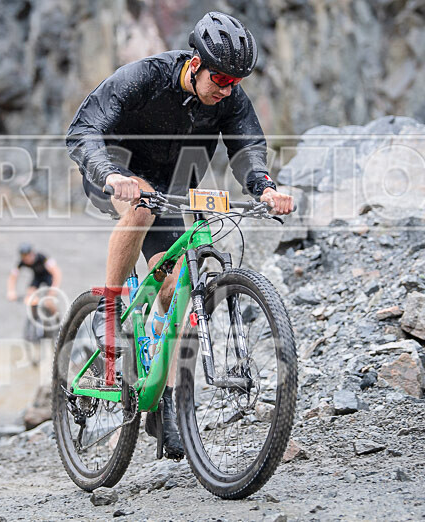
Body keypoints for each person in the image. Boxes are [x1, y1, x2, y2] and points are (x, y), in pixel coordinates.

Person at [66, 12, 294, 460]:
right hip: (114, 171)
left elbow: (247, 148)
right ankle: (110, 311)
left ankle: (165, 404)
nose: (226, 89)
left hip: (169, 186)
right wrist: (112, 173)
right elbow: (83, 130)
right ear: (195, 64)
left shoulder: (229, 97)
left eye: (235, 82)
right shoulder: (145, 77)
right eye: (221, 78)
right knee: (139, 206)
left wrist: (265, 187)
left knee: (174, 290)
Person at [7, 243, 62, 309]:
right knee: (30, 296)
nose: (27, 260)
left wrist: (54, 288)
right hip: (37, 277)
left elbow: (56, 272)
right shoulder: (22, 262)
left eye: (28, 257)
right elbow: (13, 277)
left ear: (32, 254)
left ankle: (56, 317)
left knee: (49, 302)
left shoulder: (42, 257)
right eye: (24, 258)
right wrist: (11, 291)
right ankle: (34, 315)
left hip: (48, 277)